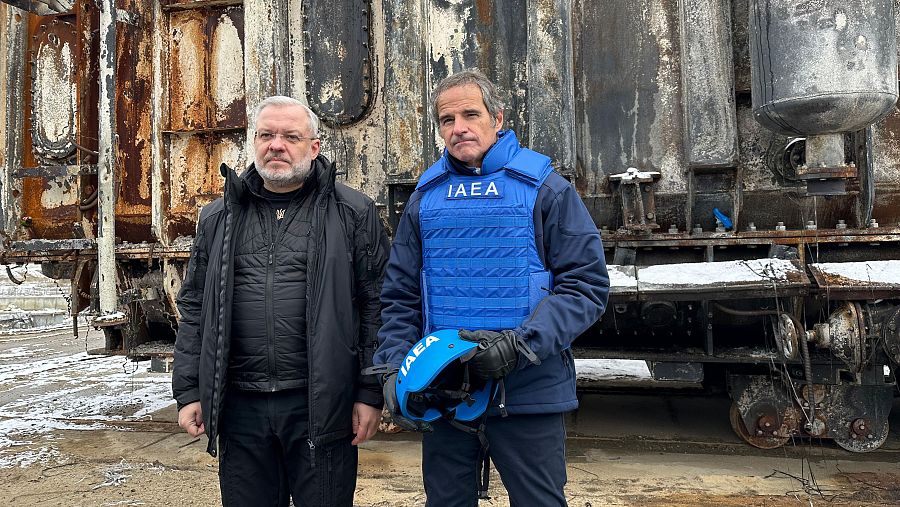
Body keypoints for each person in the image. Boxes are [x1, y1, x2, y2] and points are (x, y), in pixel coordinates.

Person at [374, 69, 610, 506]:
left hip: (527, 390)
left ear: (496, 118)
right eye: (447, 119)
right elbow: (401, 295)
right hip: (444, 393)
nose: (459, 127)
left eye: (470, 114)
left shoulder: (545, 190)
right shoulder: (426, 198)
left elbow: (585, 286)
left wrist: (520, 346)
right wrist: (393, 366)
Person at [172, 96, 389, 506]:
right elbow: (196, 306)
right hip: (241, 409)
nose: (277, 145)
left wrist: (369, 392)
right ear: (254, 143)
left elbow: (376, 306)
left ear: (314, 147)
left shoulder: (352, 212)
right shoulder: (219, 217)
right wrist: (190, 391)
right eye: (267, 135)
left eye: (291, 136)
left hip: (321, 407)